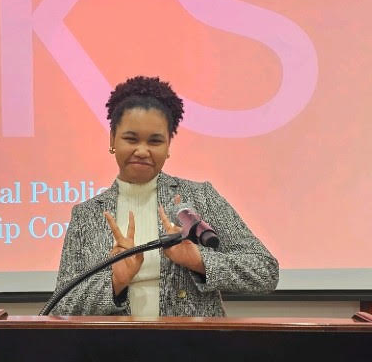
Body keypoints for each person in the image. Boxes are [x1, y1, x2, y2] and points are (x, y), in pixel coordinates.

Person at [51, 76, 279, 317]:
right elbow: (62, 304)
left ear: (169, 145)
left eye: (155, 141)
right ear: (112, 140)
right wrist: (115, 283)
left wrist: (199, 260)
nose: (142, 150)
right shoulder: (87, 214)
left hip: (194, 348)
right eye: (131, 139)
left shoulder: (200, 197)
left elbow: (265, 271)